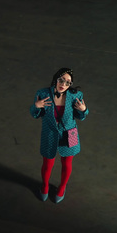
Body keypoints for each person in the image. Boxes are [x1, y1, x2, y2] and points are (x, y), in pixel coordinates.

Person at [30, 68, 88, 203]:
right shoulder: (43, 93)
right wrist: (36, 106)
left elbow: (82, 116)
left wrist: (84, 110)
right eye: (61, 80)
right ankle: (44, 187)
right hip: (49, 133)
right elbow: (34, 114)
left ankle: (62, 188)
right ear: (56, 79)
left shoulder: (76, 95)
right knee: (47, 164)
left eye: (68, 82)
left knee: (67, 163)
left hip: (69, 134)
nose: (63, 84)